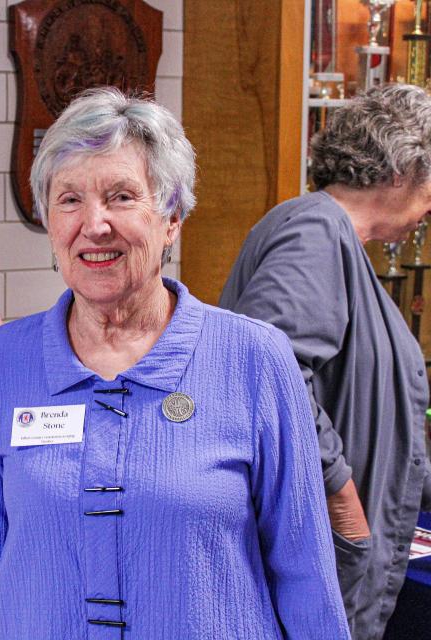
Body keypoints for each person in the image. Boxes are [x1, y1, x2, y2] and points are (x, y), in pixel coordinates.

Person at [0, 88, 349, 639]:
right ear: (50, 222)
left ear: (172, 216)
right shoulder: (1, 363)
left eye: (122, 197)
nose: (94, 224)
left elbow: (304, 572)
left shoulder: (255, 359)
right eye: (69, 200)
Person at [220, 83, 431, 640]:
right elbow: (271, 368)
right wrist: (342, 498)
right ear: (403, 168)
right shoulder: (316, 232)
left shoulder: (324, 231)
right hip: (317, 548)